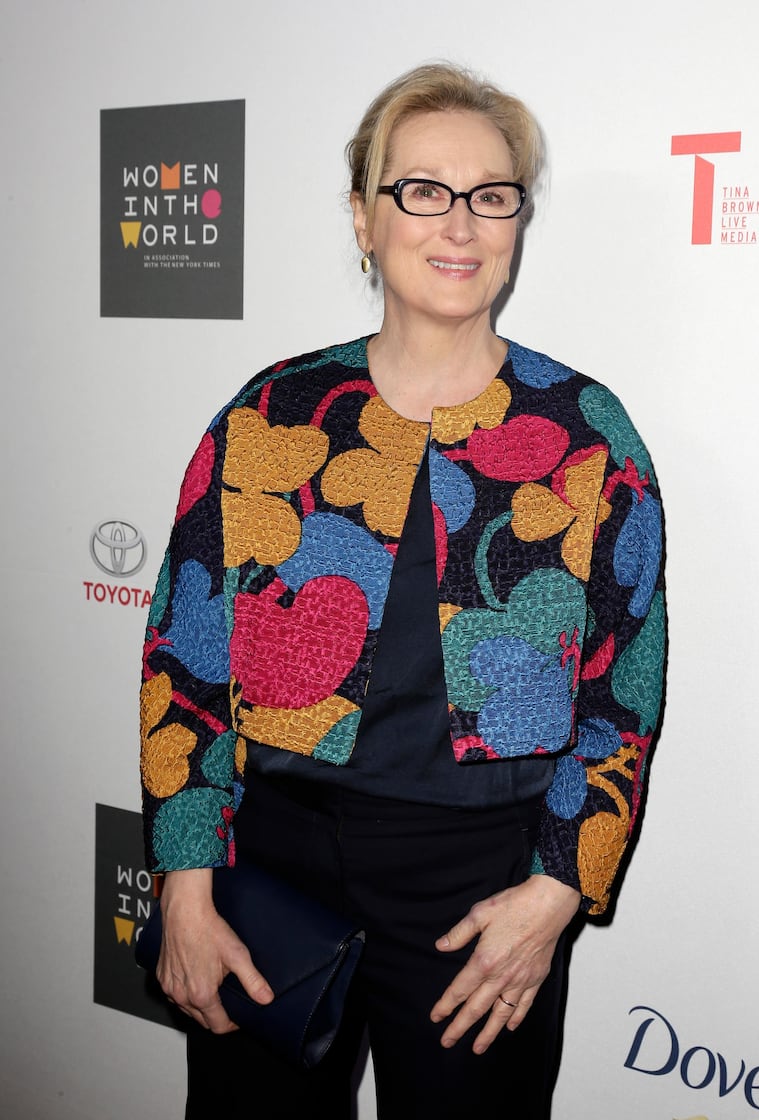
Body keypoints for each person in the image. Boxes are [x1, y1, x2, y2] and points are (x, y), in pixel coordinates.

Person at [140, 61, 666, 1120]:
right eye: (421, 189)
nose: (459, 224)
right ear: (362, 216)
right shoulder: (270, 414)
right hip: (275, 858)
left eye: (491, 193)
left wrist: (556, 892)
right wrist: (185, 884)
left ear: (517, 219)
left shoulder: (584, 431)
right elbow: (184, 660)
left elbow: (623, 690)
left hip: (483, 886)